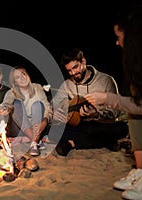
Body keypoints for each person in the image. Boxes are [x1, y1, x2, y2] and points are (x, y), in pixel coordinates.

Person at [84, 9, 142, 199]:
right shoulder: (68, 86)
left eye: (119, 36)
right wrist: (89, 114)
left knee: (119, 125)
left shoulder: (104, 80)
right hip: (105, 122)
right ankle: (140, 171)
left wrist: (106, 99)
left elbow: (134, 107)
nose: (117, 42)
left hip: (112, 124)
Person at [51, 48, 128, 157]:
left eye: (75, 67)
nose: (73, 73)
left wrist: (96, 114)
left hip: (101, 125)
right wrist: (56, 113)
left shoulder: (106, 80)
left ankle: (72, 143)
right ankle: (104, 142)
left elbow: (115, 112)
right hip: (79, 126)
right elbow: (53, 105)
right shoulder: (67, 84)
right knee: (51, 130)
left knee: (122, 128)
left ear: (83, 62)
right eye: (69, 70)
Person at [0, 66, 52, 156]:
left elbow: (47, 106)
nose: (22, 78)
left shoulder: (37, 87)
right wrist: (5, 108)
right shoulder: (12, 92)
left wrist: (45, 121)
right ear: (14, 81)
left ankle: (33, 143)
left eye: (23, 74)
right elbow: (6, 103)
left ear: (27, 75)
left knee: (38, 104)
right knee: (16, 104)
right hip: (19, 127)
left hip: (36, 125)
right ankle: (35, 141)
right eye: (18, 77)